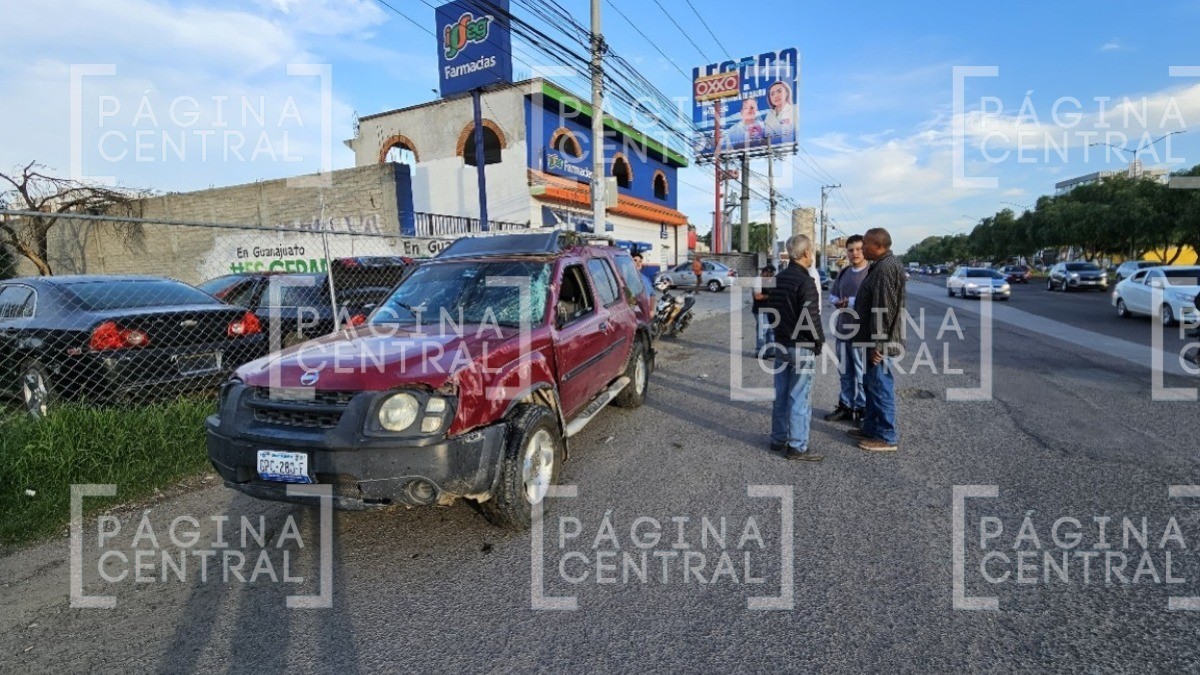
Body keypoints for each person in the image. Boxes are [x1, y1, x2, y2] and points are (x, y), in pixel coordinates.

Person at [766, 234, 825, 462]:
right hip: (801, 346)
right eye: (813, 251)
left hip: (781, 344)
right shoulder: (806, 281)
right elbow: (811, 316)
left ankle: (778, 439)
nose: (813, 256)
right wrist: (818, 342)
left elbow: (771, 312)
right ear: (807, 253)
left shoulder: (778, 279)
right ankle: (798, 446)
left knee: (781, 395)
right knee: (799, 396)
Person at [847, 228, 906, 453]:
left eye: (866, 245)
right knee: (871, 385)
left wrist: (879, 346)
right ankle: (871, 427)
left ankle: (887, 436)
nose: (862, 249)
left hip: (879, 343)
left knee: (881, 387)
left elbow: (884, 310)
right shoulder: (881, 265)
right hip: (872, 340)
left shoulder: (886, 269)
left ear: (878, 245)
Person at [823, 235, 869, 426]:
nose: (855, 253)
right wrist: (838, 302)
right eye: (851, 250)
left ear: (864, 250)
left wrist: (849, 301)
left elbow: (872, 300)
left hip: (861, 332)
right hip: (842, 330)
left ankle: (862, 408)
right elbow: (832, 297)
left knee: (860, 372)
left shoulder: (871, 273)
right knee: (844, 371)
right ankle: (846, 405)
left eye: (858, 249)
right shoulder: (843, 273)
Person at [751, 265, 776, 354]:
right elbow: (757, 296)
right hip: (760, 309)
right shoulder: (757, 280)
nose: (770, 276)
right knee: (762, 331)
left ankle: (770, 350)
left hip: (770, 309)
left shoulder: (769, 280)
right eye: (769, 274)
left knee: (771, 331)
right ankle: (760, 351)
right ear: (765, 272)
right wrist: (770, 296)